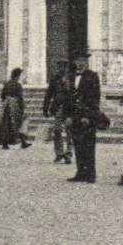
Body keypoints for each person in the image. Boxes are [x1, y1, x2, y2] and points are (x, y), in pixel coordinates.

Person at [66, 51, 103, 183]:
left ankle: (91, 174)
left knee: (88, 145)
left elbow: (94, 98)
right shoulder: (71, 77)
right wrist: (68, 116)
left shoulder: (92, 76)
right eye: (78, 60)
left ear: (87, 62)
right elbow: (68, 98)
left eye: (82, 60)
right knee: (77, 144)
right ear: (74, 62)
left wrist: (88, 116)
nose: (80, 63)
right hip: (75, 115)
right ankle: (80, 172)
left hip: (87, 116)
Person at [43, 60, 74, 163]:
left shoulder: (71, 79)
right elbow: (49, 94)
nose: (62, 69)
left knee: (69, 131)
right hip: (58, 108)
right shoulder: (54, 79)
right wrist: (45, 108)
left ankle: (68, 153)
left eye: (64, 67)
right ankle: (59, 153)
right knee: (57, 131)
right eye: (60, 67)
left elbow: (74, 94)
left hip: (69, 109)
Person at [0, 67, 30, 149]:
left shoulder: (7, 84)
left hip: (6, 105)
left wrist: (6, 102)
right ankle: (23, 142)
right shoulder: (17, 85)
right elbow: (20, 97)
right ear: (17, 76)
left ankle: (5, 143)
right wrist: (22, 107)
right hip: (14, 105)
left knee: (6, 124)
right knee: (18, 123)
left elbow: (2, 95)